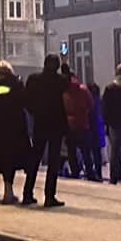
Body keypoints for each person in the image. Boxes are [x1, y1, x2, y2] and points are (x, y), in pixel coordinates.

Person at [22, 54, 70, 208]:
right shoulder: (59, 81)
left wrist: (35, 112)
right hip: (56, 123)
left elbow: (26, 100)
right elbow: (68, 81)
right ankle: (50, 196)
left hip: (40, 123)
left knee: (35, 158)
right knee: (53, 161)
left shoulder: (34, 79)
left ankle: (27, 193)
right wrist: (65, 64)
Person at [0, 61, 31, 205]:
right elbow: (24, 101)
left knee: (2, 160)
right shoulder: (16, 84)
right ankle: (26, 193)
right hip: (15, 126)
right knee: (21, 160)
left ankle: (6, 190)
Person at [63, 69, 97, 183]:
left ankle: (75, 171)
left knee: (71, 151)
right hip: (83, 123)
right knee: (86, 150)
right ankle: (89, 172)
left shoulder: (64, 90)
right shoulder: (83, 89)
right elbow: (91, 104)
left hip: (69, 124)